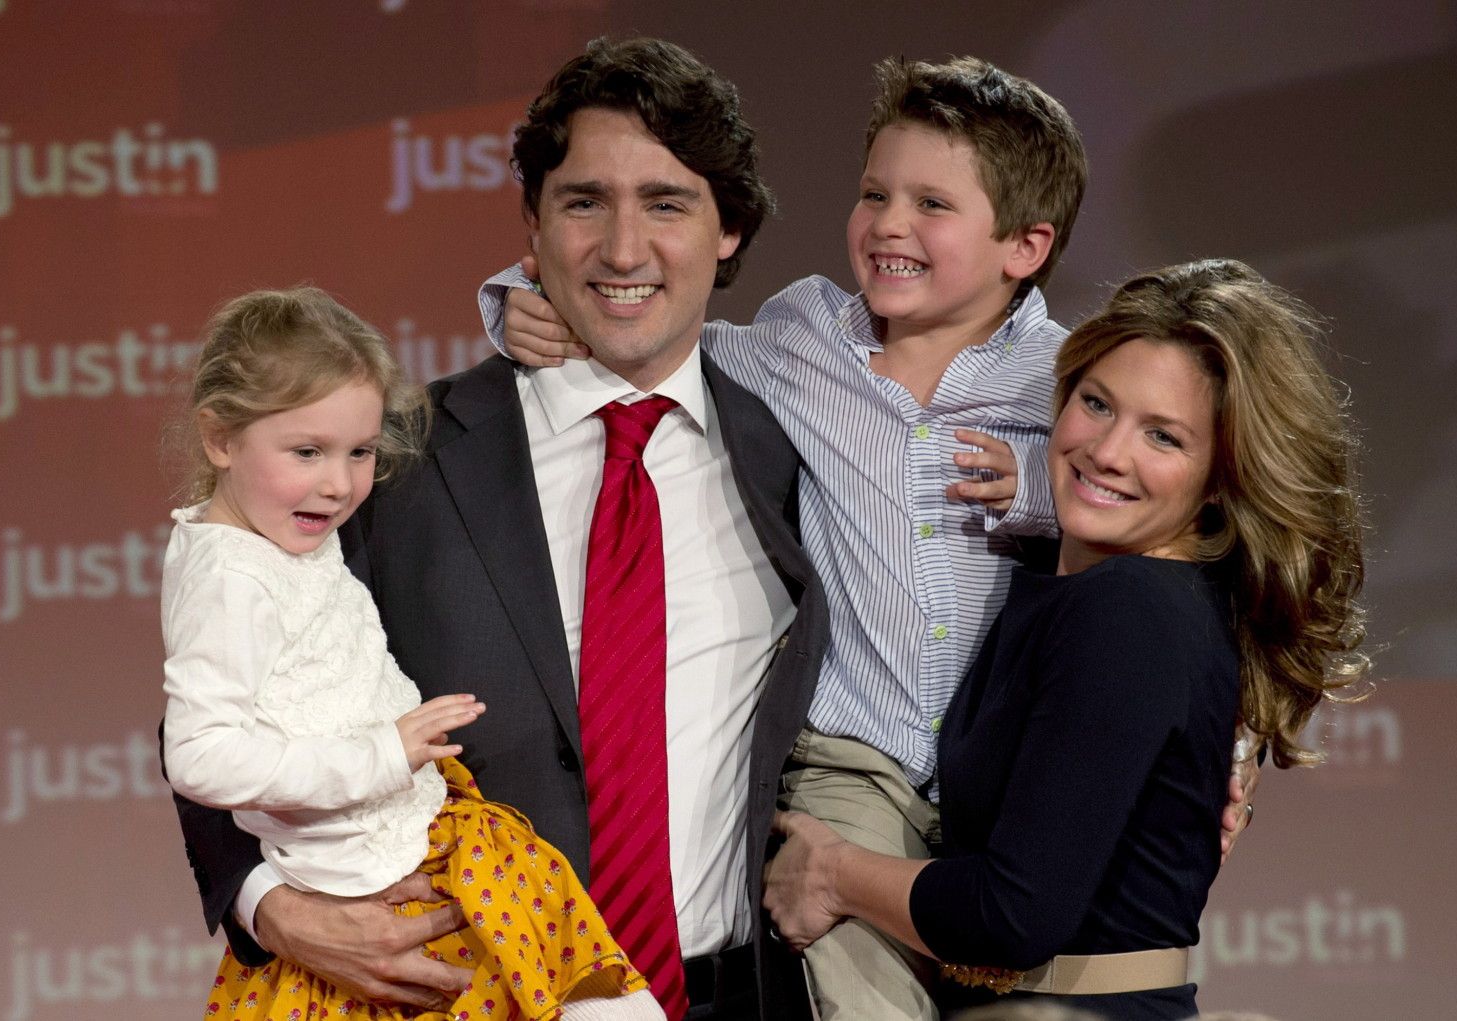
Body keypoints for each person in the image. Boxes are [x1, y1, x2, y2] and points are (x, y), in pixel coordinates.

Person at [500, 57, 1255, 1019]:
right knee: (868, 998)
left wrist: (1039, 489)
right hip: (859, 757)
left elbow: (1177, 536)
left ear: (1026, 245)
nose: (888, 224)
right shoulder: (801, 340)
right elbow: (652, 327)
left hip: (1004, 762)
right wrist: (518, 300)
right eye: (873, 193)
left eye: (930, 203)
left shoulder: (1065, 379)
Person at [170, 39, 828, 1021]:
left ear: (728, 228)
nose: (622, 248)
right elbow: (212, 696)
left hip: (738, 994)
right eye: (582, 201)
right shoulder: (395, 461)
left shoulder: (796, 451)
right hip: (464, 992)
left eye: (666, 202)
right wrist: (272, 907)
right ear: (531, 224)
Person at [761, 260, 1369, 1021]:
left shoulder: (1129, 607)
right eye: (1096, 403)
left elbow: (1013, 913)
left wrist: (835, 871)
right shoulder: (1101, 588)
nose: (1108, 452)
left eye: (1164, 436)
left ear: (1220, 476)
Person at [162, 287, 662, 1020]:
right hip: (368, 873)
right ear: (220, 438)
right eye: (307, 451)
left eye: (360, 451)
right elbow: (199, 754)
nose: (338, 484)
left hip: (426, 828)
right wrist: (382, 752)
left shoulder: (278, 530)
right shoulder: (227, 576)